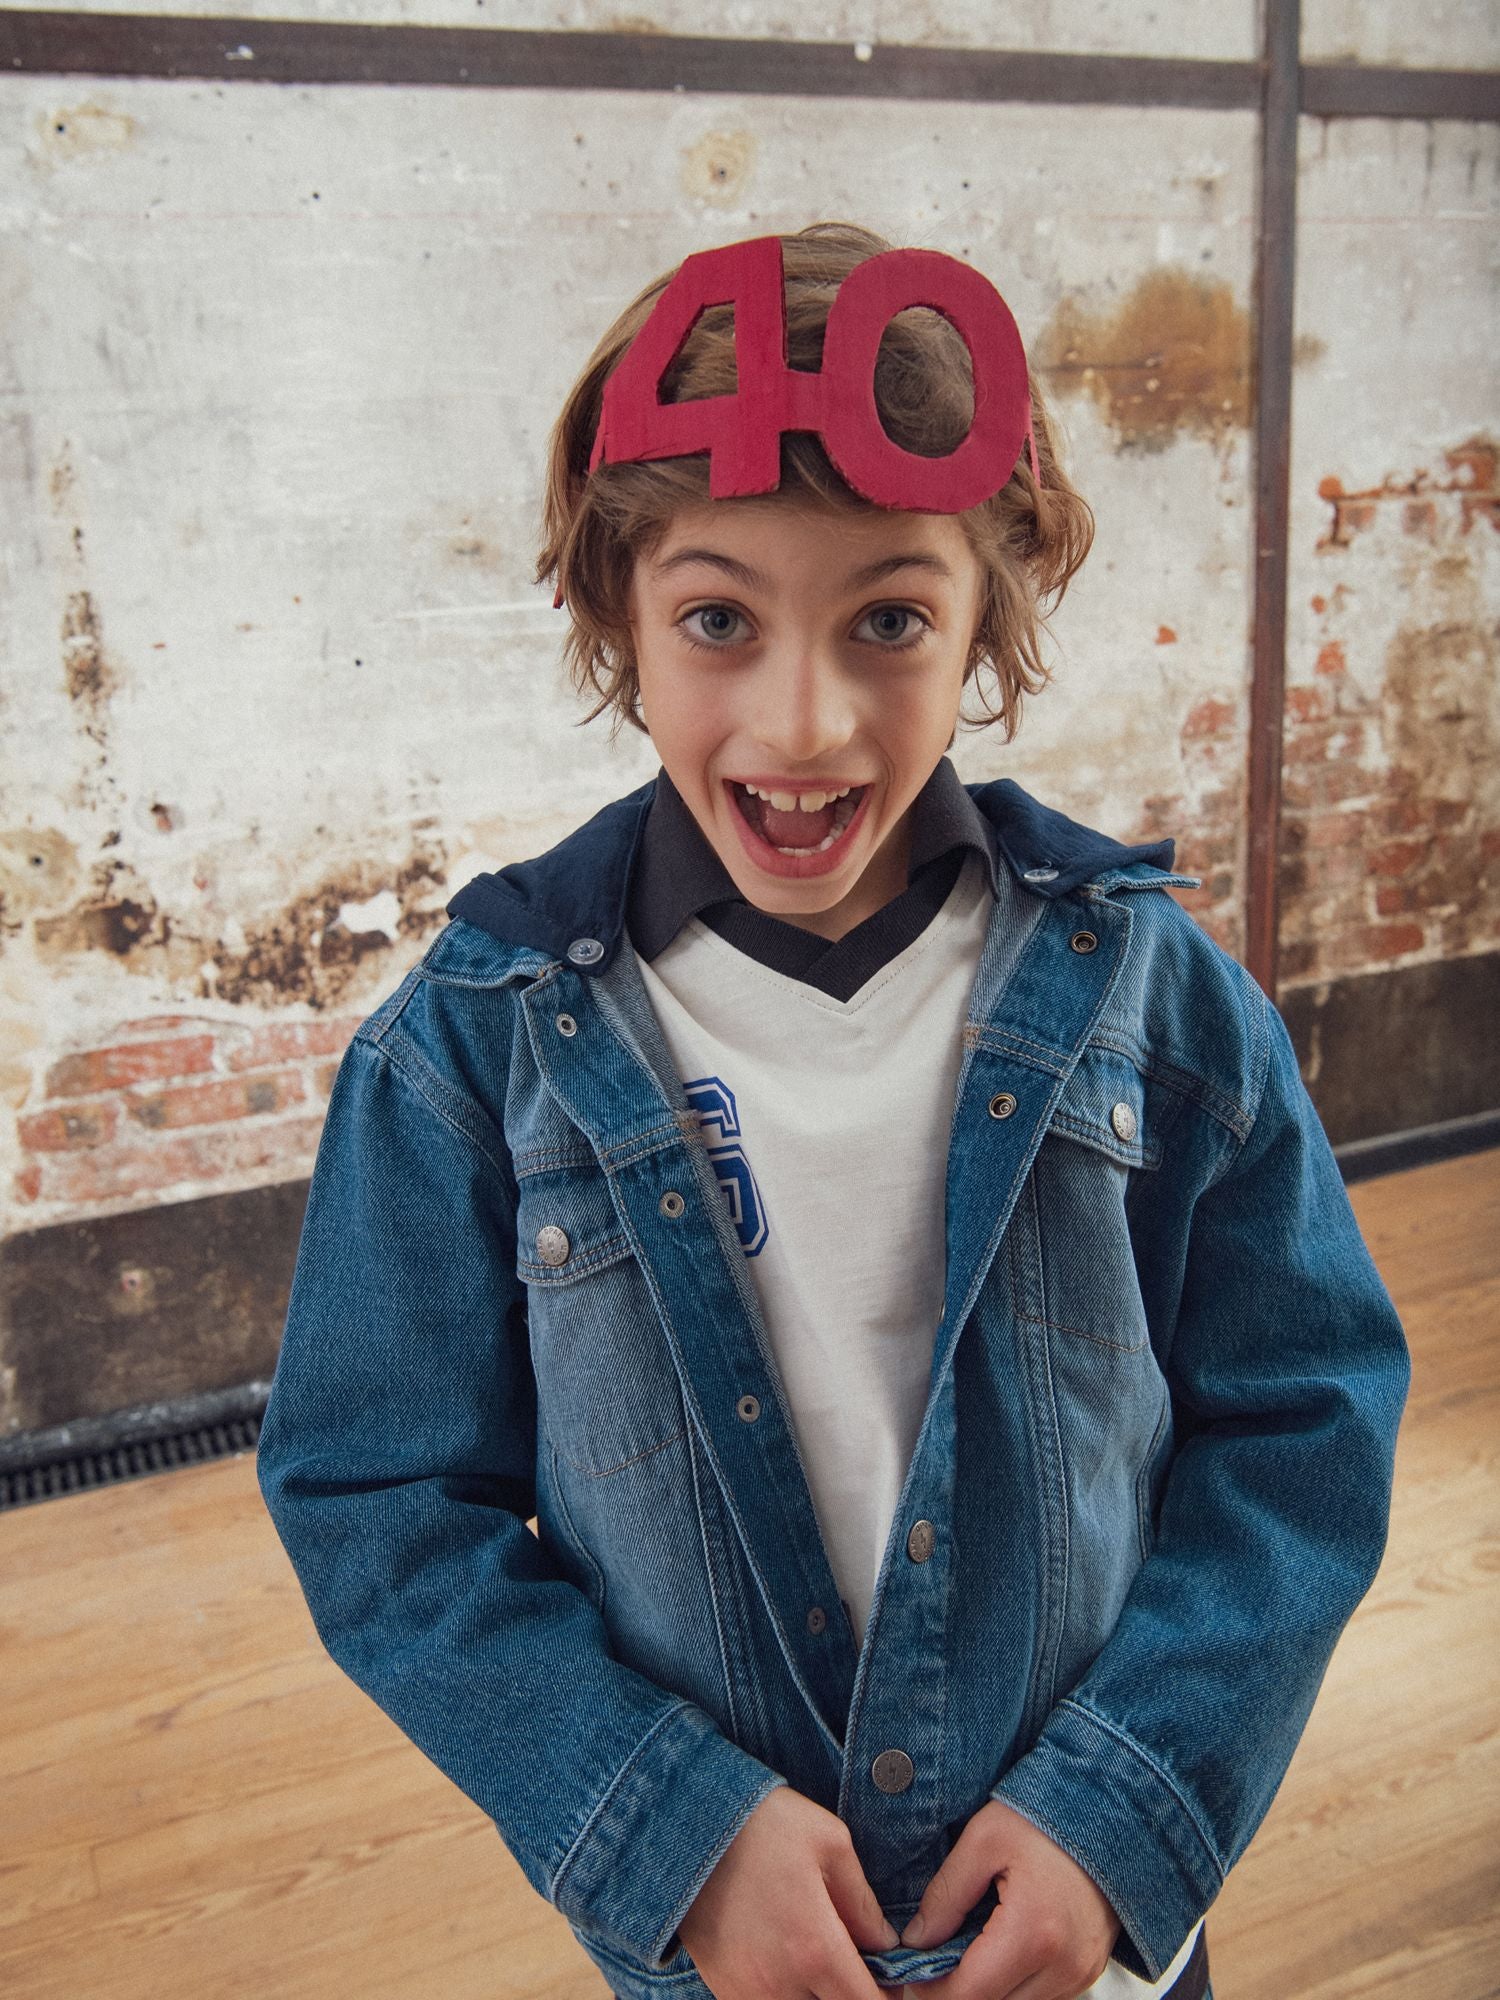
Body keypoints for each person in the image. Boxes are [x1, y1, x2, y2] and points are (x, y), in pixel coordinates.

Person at [256, 222, 1411, 2000]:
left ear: (983, 623)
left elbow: (1305, 1420)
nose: (803, 725)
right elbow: (378, 1495)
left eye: (889, 621)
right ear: (621, 614)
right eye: (720, 619)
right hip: (719, 1955)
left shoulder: (1155, 999)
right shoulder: (473, 1052)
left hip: (1091, 1941)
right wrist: (671, 1836)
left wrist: (1126, 1812)